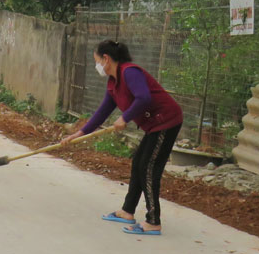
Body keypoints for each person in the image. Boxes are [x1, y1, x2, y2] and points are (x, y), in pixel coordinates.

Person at [61, 40, 183, 236]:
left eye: (97, 60)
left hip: (166, 121)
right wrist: (80, 133)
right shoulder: (113, 83)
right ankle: (127, 211)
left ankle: (153, 221)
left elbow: (144, 98)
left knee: (148, 168)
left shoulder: (129, 72)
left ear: (106, 59)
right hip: (153, 125)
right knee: (138, 164)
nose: (97, 66)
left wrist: (124, 117)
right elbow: (102, 112)